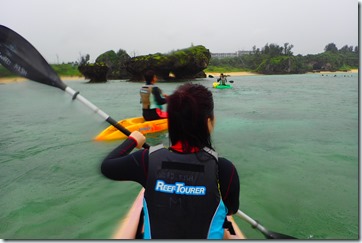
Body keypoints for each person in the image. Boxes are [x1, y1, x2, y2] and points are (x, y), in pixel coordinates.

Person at [101, 83, 241, 239]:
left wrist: (133, 140)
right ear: (208, 123)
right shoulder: (225, 168)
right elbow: (230, 210)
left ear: (171, 123)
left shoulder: (147, 160)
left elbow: (107, 166)